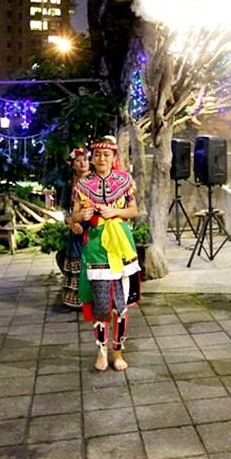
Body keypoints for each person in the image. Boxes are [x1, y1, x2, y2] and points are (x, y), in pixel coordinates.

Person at [72, 136, 141, 371]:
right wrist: (80, 218)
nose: (101, 159)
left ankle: (118, 352)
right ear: (92, 158)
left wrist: (115, 211)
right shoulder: (82, 186)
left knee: (120, 306)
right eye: (98, 155)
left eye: (106, 155)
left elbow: (133, 211)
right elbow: (74, 219)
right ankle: (101, 351)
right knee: (101, 305)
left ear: (114, 158)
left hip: (121, 246)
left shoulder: (125, 181)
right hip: (97, 249)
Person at [59, 146, 90, 309]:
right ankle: (76, 300)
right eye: (78, 161)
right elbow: (63, 208)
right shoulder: (69, 185)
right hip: (77, 227)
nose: (82, 163)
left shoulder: (97, 181)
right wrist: (71, 222)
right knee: (77, 258)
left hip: (94, 226)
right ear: (73, 165)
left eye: (85, 159)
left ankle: (95, 298)